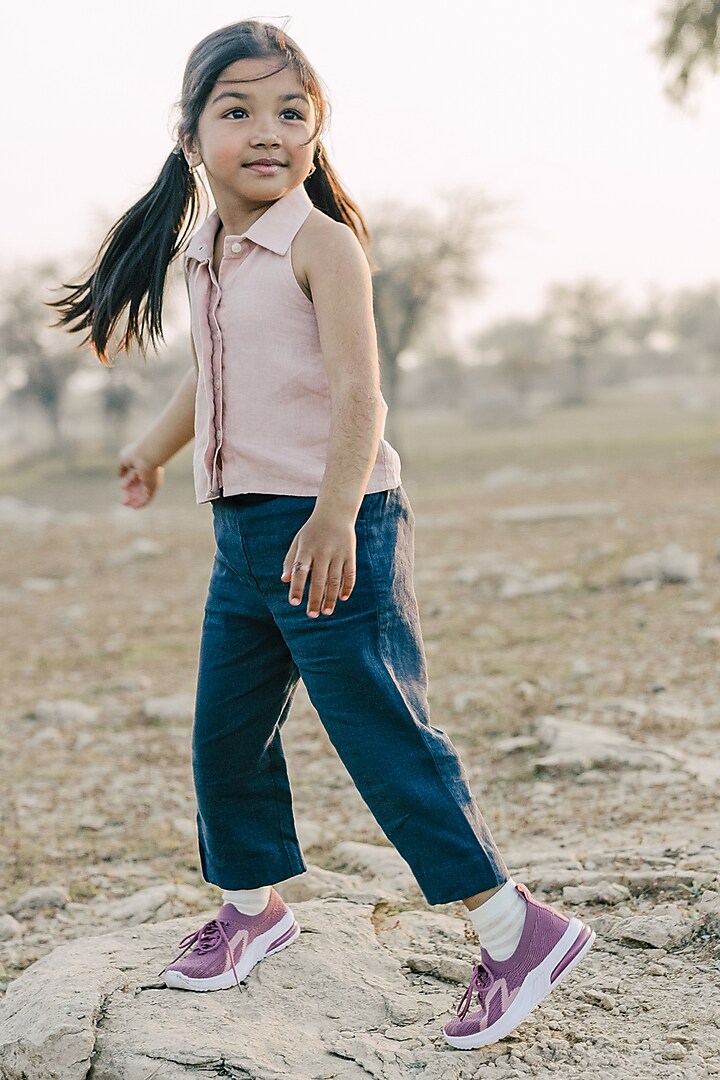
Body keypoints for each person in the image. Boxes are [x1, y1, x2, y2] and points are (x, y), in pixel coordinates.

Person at [50, 18, 594, 1049]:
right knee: (226, 736)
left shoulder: (322, 244)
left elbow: (361, 398)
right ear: (191, 136)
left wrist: (338, 513)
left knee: (382, 738)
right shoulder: (209, 251)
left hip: (332, 532)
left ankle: (516, 931)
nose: (269, 131)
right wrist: (157, 452)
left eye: (291, 112)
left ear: (317, 130)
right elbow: (210, 375)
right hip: (244, 541)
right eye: (239, 110)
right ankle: (252, 913)